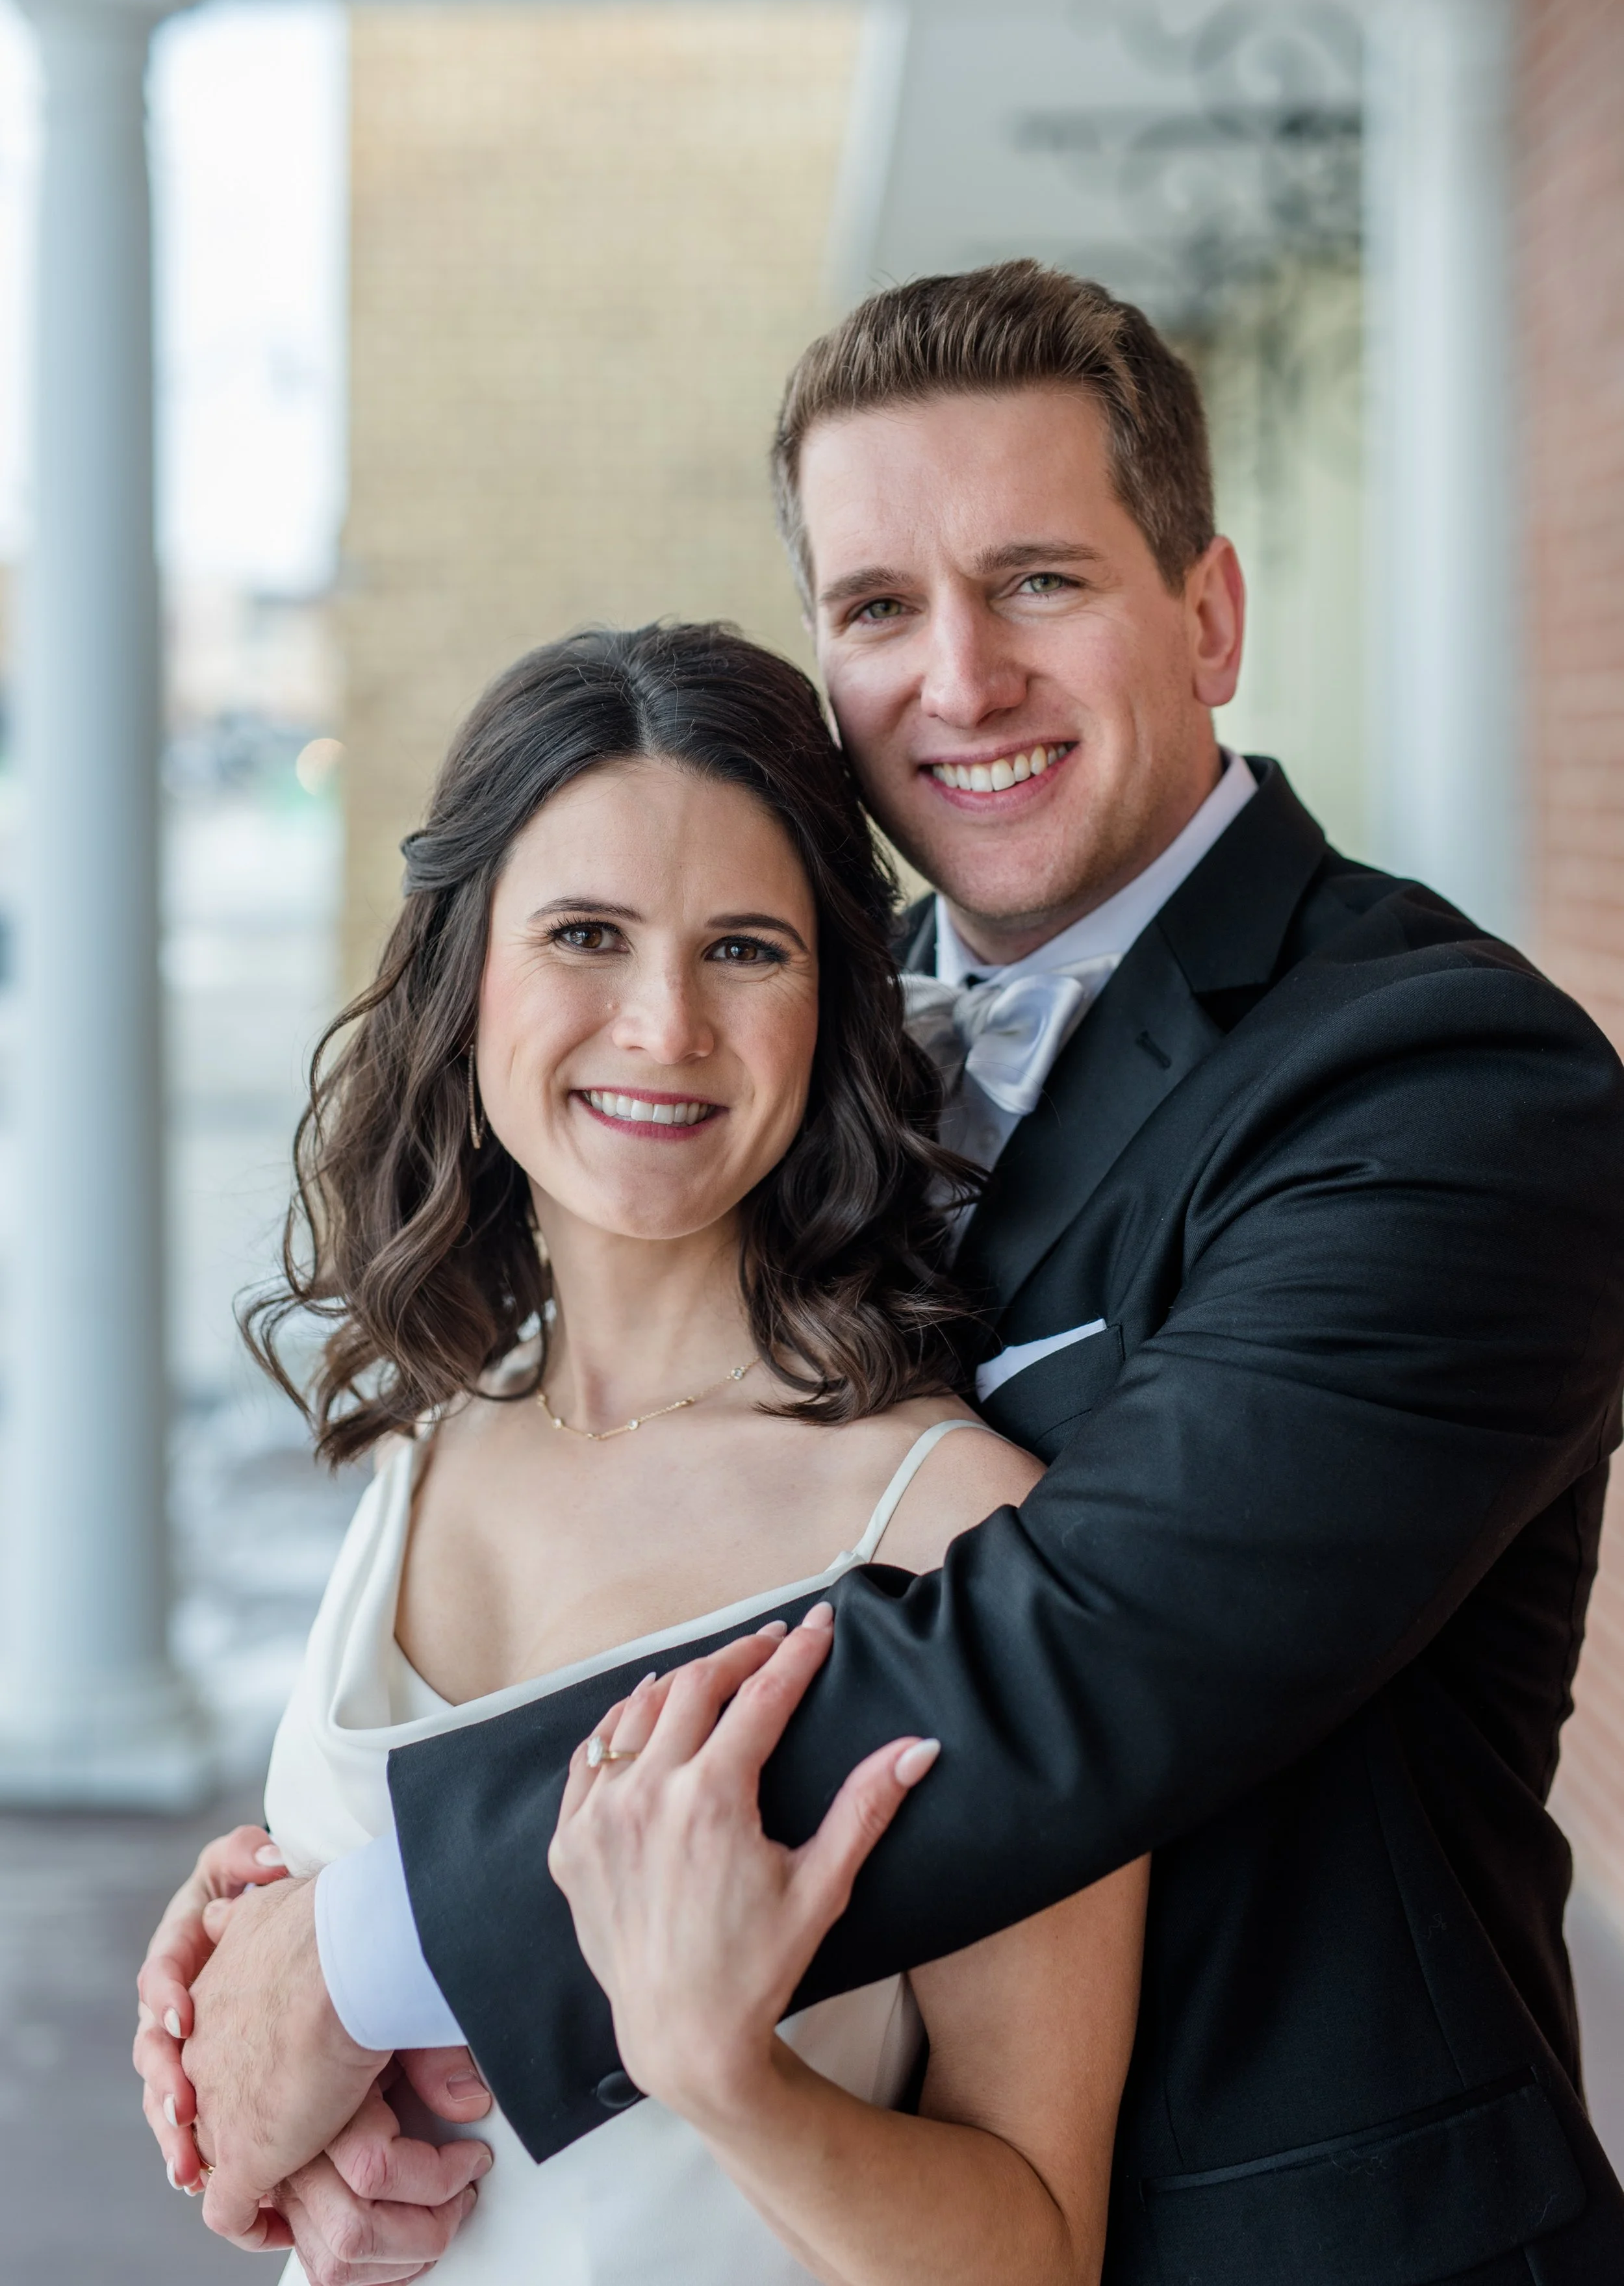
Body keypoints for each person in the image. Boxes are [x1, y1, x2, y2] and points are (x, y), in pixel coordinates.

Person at [138, 261, 1624, 2283]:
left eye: (1036, 583)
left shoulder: (1446, 1088)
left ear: (1207, 616)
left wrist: (387, 1942)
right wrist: (287, 1933)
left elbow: (1071, 1651)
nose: (960, 681)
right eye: (876, 611)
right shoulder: (788, 1057)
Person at [141, 620, 1150, 2281]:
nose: (664, 1022)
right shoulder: (437, 1440)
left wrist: (730, 2082)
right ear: (469, 979)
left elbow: (1035, 2247)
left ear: (828, 1005)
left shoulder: (953, 1529)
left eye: (743, 948)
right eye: (586, 935)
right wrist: (238, 2054)